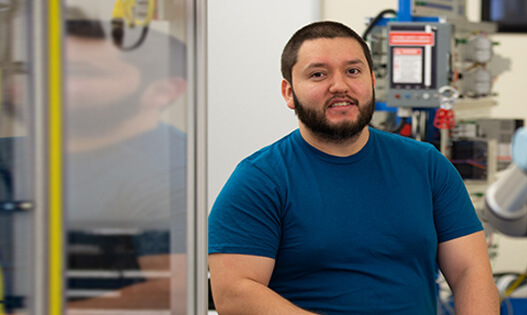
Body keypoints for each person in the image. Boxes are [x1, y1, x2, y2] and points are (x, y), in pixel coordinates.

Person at [207, 21, 498, 314]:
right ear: (289, 93)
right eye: (318, 74)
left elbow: (470, 271)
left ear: (372, 80)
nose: (340, 86)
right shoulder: (260, 180)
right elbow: (234, 294)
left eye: (353, 71)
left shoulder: (426, 165)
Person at [1, 16, 188, 311]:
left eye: (80, 73)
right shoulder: (13, 154)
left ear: (161, 91)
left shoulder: (177, 168)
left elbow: (176, 287)